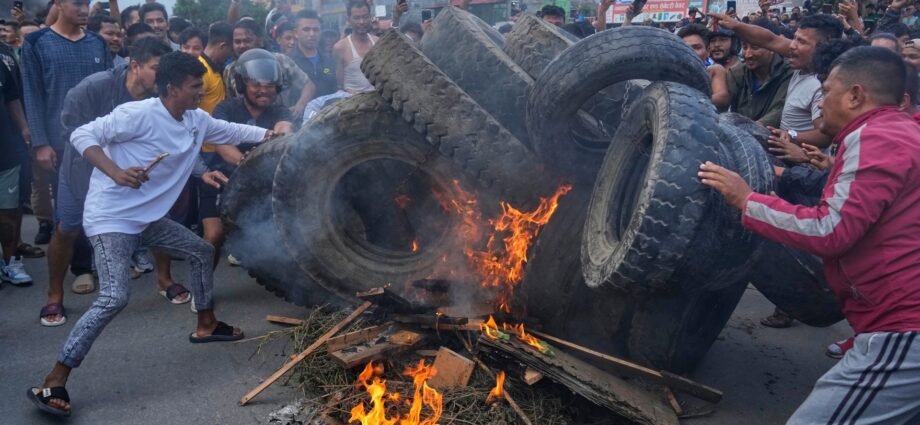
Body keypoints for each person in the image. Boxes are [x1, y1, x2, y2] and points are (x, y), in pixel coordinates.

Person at [27, 51, 279, 418]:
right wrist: (115, 171)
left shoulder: (195, 119)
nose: (200, 93)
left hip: (148, 219)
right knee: (114, 297)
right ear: (172, 87)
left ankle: (206, 324)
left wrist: (271, 134)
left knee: (200, 251)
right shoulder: (139, 114)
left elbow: (234, 132)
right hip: (112, 219)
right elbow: (83, 134)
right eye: (195, 87)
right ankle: (54, 378)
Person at [699, 46, 920, 424]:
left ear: (855, 95)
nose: (820, 106)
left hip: (903, 330)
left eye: (827, 92)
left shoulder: (876, 138)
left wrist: (746, 200)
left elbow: (830, 230)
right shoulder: (898, 132)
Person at [44, 38, 174, 328]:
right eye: (156, 69)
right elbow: (73, 135)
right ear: (135, 65)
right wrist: (113, 169)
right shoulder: (93, 88)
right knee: (67, 229)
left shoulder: (163, 95)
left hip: (136, 170)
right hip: (82, 170)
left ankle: (165, 279)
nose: (163, 78)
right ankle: (54, 293)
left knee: (159, 218)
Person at [22, 0, 112, 303]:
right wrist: (41, 142)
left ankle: (101, 263)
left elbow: (111, 92)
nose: (84, 8)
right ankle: (79, 270)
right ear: (58, 3)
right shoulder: (36, 42)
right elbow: (32, 94)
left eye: (87, 3)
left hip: (100, 141)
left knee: (100, 202)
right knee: (68, 216)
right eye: (77, 2)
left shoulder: (98, 42)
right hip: (61, 143)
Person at [202, 49, 294, 266]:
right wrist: (249, 164)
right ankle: (202, 287)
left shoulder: (280, 111)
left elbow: (285, 128)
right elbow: (222, 146)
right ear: (242, 85)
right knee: (213, 236)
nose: (264, 90)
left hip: (263, 183)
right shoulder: (225, 108)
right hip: (223, 178)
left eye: (269, 85)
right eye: (256, 85)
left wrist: (282, 135)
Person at [0, 29, 33, 288]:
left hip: (6, 146)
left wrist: (23, 127)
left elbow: (12, 97)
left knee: (9, 210)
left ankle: (11, 261)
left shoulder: (4, 55)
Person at [727, 20, 794, 128]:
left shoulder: (788, 72)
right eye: (745, 47)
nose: (748, 54)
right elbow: (725, 103)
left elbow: (778, 111)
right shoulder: (736, 73)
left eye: (755, 47)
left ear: (772, 48)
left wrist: (752, 129)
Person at [678, 24, 731, 110]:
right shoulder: (673, 72)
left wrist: (687, 101)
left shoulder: (714, 70)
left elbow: (722, 97)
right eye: (685, 47)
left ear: (708, 51)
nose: (691, 52)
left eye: (697, 47)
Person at [288, 10, 336, 99]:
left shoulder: (328, 61)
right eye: (306, 29)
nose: (312, 34)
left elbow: (334, 89)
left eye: (316, 29)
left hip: (327, 111)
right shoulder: (288, 62)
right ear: (296, 33)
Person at [333, 1, 377, 94]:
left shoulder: (378, 42)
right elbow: (340, 84)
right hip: (352, 101)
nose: (362, 22)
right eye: (356, 18)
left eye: (365, 17)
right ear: (349, 20)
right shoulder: (340, 47)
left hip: (378, 100)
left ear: (370, 17)